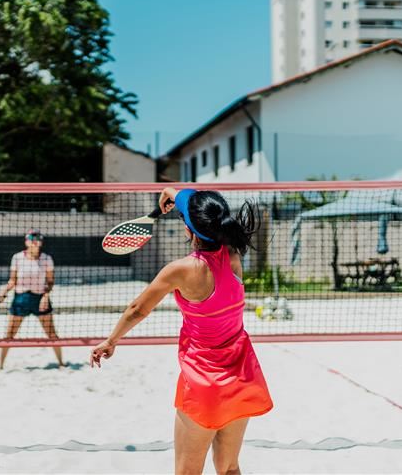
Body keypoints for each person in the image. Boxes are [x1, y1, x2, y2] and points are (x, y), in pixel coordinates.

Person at [91, 187, 273, 474]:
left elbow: (137, 309)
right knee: (229, 468)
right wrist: (172, 193)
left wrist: (111, 341)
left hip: (205, 382)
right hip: (243, 377)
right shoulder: (234, 254)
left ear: (189, 229)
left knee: (187, 471)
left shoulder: (181, 270)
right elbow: (201, 205)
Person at [0, 229, 64, 370]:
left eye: (36, 239)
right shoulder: (18, 257)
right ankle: (0, 365)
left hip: (40, 298)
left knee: (51, 334)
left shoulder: (46, 258)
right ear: (26, 242)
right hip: (21, 298)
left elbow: (50, 282)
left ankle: (61, 363)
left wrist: (46, 296)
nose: (34, 242)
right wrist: (4, 292)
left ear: (40, 243)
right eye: (31, 239)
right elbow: (12, 280)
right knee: (9, 334)